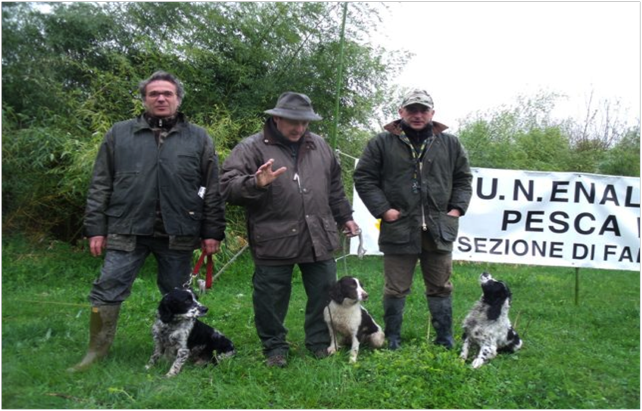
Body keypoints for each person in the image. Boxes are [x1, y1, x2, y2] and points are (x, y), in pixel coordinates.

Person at [68, 71, 226, 372]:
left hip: (178, 231)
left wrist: (212, 232)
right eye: (154, 94)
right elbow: (100, 184)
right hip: (126, 227)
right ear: (144, 99)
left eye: (167, 93)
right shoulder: (119, 134)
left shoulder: (199, 138)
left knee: (180, 295)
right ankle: (95, 353)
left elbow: (213, 188)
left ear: (178, 99)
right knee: (107, 288)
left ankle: (186, 348)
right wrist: (95, 229)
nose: (161, 98)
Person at [220, 92, 360, 367]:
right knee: (270, 298)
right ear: (276, 118)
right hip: (273, 237)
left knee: (324, 292)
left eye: (304, 122)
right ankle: (275, 348)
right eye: (292, 121)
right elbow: (226, 187)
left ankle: (320, 343)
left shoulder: (320, 146)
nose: (299, 128)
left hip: (318, 235)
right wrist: (255, 183)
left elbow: (334, 187)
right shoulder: (251, 147)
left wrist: (345, 216)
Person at [353, 89, 472, 350]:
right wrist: (384, 210)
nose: (418, 115)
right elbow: (363, 178)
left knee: (441, 287)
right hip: (399, 228)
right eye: (412, 110)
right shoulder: (381, 143)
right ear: (401, 112)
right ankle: (393, 338)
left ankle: (444, 339)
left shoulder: (450, 143)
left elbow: (463, 178)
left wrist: (457, 209)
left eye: (423, 110)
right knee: (395, 288)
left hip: (439, 228)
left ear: (432, 113)